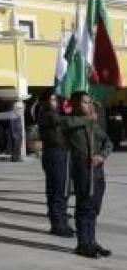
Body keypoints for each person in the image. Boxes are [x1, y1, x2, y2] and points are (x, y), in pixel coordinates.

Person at [63, 91, 113, 258]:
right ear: (76, 104)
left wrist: (102, 155)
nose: (89, 105)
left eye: (89, 102)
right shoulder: (69, 121)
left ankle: (92, 241)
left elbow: (108, 142)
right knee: (84, 205)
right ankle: (83, 243)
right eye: (85, 102)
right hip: (83, 168)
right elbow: (67, 125)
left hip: (97, 168)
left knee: (94, 207)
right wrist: (88, 118)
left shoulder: (93, 124)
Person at [37, 90, 73, 237]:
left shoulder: (55, 114)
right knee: (57, 190)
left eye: (55, 100)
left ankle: (62, 220)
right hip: (54, 153)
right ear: (45, 102)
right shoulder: (46, 114)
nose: (55, 103)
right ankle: (57, 225)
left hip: (63, 153)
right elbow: (62, 121)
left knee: (64, 189)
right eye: (52, 100)